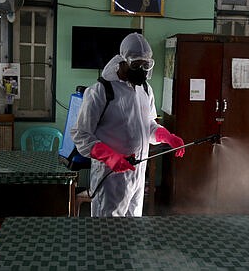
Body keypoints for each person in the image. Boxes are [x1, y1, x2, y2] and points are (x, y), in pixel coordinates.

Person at [71, 32, 185, 217]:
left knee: (132, 232)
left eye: (145, 65)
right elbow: (81, 134)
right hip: (110, 178)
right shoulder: (101, 91)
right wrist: (110, 156)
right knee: (107, 234)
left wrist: (167, 136)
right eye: (136, 65)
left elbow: (148, 125)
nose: (141, 70)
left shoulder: (145, 90)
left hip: (138, 176)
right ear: (122, 61)